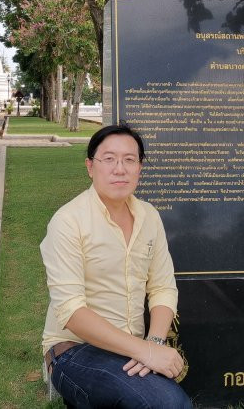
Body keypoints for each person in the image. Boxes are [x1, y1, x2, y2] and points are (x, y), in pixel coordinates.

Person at [41, 124, 192, 408]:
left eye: (129, 160)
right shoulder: (68, 221)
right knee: (166, 403)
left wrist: (155, 344)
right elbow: (72, 311)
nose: (119, 169)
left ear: (139, 168)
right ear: (90, 166)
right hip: (74, 351)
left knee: (162, 398)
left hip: (129, 349)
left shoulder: (149, 216)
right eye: (108, 159)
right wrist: (144, 351)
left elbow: (162, 288)